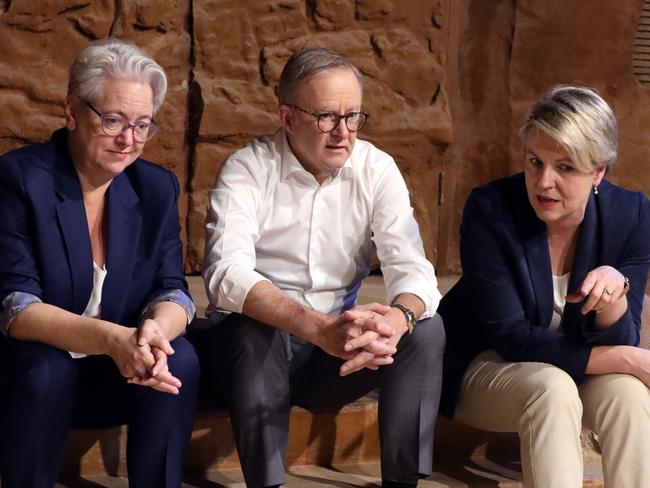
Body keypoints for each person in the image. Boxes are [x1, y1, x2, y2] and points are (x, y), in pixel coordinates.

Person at [197, 47, 445, 488]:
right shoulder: (248, 169)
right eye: (327, 117)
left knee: (425, 327)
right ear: (287, 117)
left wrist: (396, 318)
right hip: (250, 357)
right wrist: (315, 328)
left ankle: (403, 482)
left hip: (335, 357)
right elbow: (225, 276)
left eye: (353, 117)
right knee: (255, 327)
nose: (343, 133)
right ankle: (268, 483)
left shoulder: (377, 169)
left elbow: (413, 268)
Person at [0, 38, 199, 488]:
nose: (129, 140)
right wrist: (113, 339)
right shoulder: (21, 179)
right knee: (45, 368)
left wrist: (155, 333)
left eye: (142, 125)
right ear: (72, 112)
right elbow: (14, 306)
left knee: (179, 358)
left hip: (114, 371)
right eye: (112, 120)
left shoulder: (156, 189)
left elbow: (173, 290)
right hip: (34, 374)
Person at [438, 85, 650, 487]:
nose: (543, 182)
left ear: (598, 171)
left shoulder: (633, 215)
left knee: (629, 395)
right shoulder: (491, 209)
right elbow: (511, 337)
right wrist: (627, 360)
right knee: (553, 388)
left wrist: (615, 294)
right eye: (535, 162)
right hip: (488, 366)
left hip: (575, 372)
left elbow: (624, 335)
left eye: (566, 168)